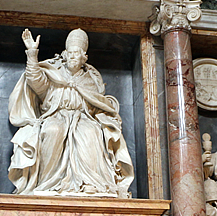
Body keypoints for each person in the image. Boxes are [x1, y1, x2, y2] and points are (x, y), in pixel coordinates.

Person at [8, 28, 134, 197]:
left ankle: (92, 182)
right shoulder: (54, 74)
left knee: (92, 132)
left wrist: (105, 116)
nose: (73, 56)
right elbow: (35, 80)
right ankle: (46, 183)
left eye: (77, 53)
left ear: (84, 58)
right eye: (70, 53)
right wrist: (32, 54)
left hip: (83, 118)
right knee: (53, 131)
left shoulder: (91, 80)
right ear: (65, 55)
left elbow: (97, 103)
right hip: (56, 116)